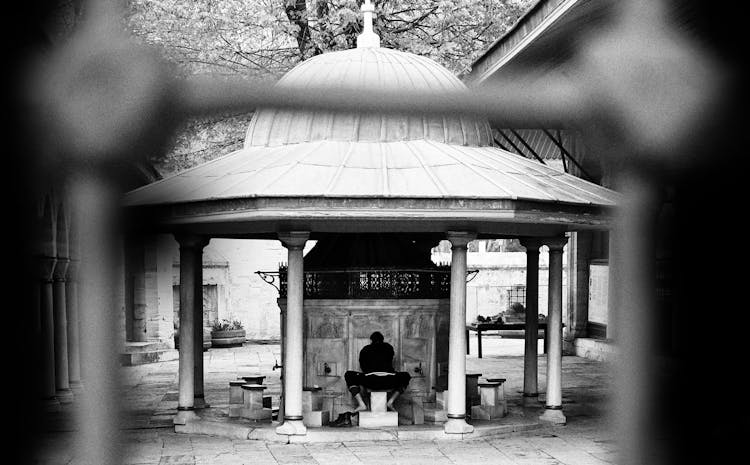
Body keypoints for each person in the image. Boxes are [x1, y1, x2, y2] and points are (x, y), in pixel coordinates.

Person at [345, 331, 411, 413]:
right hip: (389, 379)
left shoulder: (365, 349)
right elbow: (390, 360)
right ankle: (391, 401)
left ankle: (361, 404)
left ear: (371, 340)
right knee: (406, 375)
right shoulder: (389, 347)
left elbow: (363, 366)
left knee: (349, 374)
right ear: (382, 340)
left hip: (371, 380)